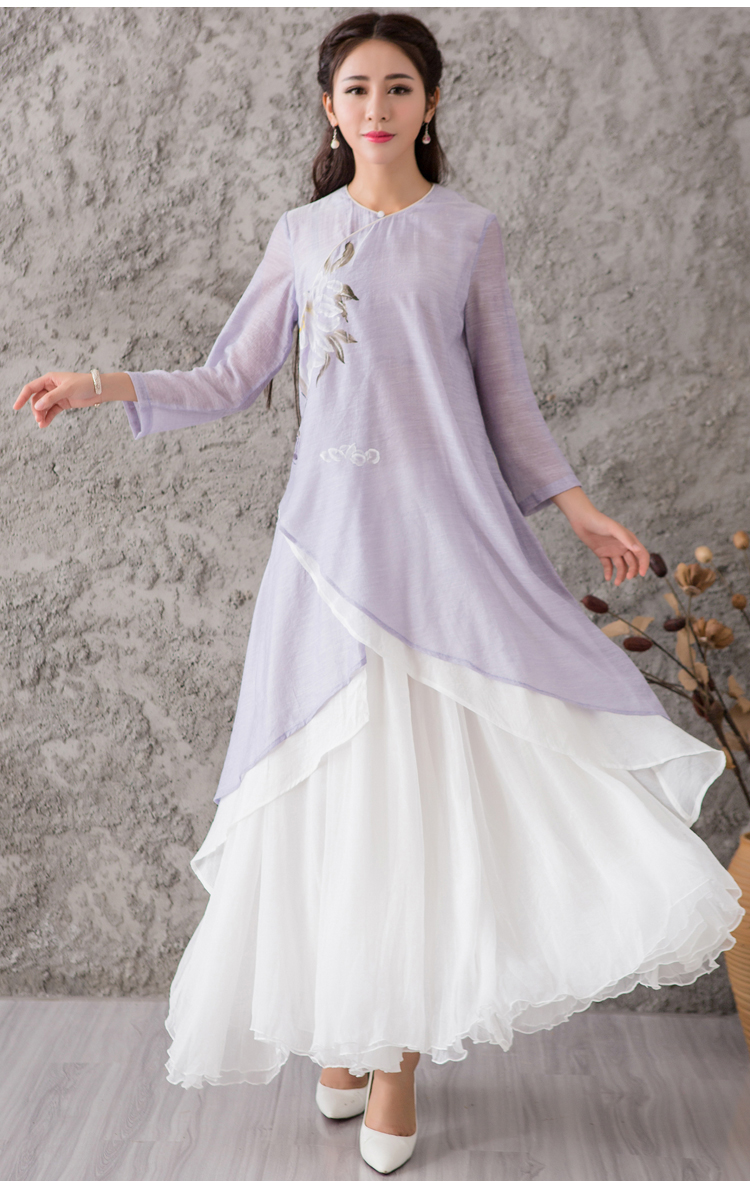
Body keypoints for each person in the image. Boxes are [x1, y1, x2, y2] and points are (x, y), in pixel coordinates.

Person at [14, 11, 744, 1176]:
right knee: (337, 802)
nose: (377, 106)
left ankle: (397, 1060)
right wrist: (102, 383)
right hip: (326, 557)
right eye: (356, 88)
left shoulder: (468, 234)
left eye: (399, 87)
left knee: (416, 809)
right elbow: (230, 377)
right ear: (330, 107)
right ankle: (348, 1029)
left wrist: (581, 509)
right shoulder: (302, 235)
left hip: (444, 559)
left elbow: (506, 401)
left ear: (430, 103)